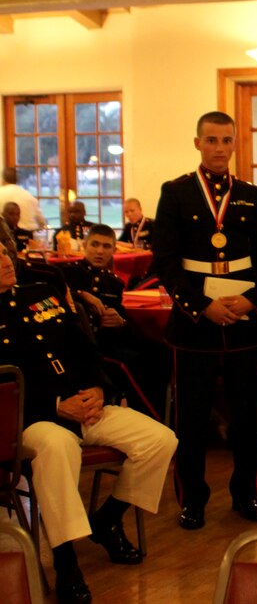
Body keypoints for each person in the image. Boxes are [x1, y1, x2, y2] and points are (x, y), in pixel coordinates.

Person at [1, 245, 177, 604]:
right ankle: (66, 561)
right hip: (31, 417)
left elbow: (83, 348)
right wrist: (54, 404)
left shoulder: (41, 294)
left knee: (161, 439)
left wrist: (98, 387)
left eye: (5, 254)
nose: (6, 262)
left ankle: (108, 520)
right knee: (58, 447)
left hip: (88, 404)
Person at [153, 111, 257, 530]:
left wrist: (251, 301)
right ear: (197, 143)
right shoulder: (176, 193)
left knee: (247, 417)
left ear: (234, 144)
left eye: (226, 140)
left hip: (243, 320)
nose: (219, 148)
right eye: (211, 140)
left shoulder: (249, 193)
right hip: (195, 323)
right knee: (191, 418)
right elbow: (166, 263)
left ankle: (247, 494)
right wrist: (200, 306)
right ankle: (192, 499)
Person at [61, 223, 170, 419]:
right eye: (94, 245)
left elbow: (120, 325)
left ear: (113, 250)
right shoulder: (66, 274)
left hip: (107, 341)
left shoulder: (114, 283)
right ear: (85, 245)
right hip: (80, 347)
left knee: (160, 352)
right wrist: (82, 295)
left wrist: (119, 322)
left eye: (106, 246)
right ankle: (150, 418)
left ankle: (169, 413)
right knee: (129, 363)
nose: (99, 251)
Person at [0, 166, 46, 232]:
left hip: (6, 235)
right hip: (29, 235)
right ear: (17, 180)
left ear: (3, 179)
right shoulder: (29, 196)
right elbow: (41, 222)